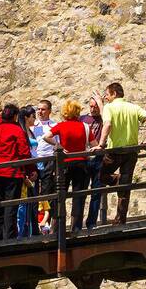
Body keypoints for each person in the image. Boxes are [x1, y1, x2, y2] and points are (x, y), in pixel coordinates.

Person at [98, 83, 146, 225]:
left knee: (102, 176)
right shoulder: (133, 107)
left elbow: (108, 124)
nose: (106, 98)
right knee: (125, 187)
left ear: (114, 94)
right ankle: (120, 220)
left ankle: (118, 181)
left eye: (108, 94)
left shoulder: (109, 108)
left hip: (115, 151)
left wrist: (101, 144)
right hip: (131, 151)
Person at [0, 103, 33, 242]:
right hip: (12, 174)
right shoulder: (17, 130)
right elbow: (24, 152)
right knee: (10, 208)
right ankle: (9, 238)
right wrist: (30, 170)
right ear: (15, 116)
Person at [52, 99, 92, 234]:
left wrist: (59, 146)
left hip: (65, 163)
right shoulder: (85, 126)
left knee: (60, 195)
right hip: (81, 163)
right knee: (78, 195)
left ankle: (57, 227)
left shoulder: (61, 126)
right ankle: (76, 228)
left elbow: (46, 136)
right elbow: (94, 144)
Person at [32, 101, 59, 233]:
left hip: (49, 160)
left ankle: (47, 223)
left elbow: (57, 144)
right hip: (35, 160)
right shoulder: (32, 125)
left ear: (49, 111)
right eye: (38, 109)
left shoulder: (54, 125)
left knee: (47, 191)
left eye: (43, 109)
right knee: (34, 192)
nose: (40, 112)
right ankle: (36, 224)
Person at [80, 97, 106, 229]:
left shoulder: (104, 119)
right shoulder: (82, 119)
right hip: (85, 159)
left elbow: (107, 119)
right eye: (91, 106)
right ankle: (77, 222)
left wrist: (101, 104)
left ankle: (91, 222)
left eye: (95, 106)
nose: (93, 108)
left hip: (99, 159)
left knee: (96, 192)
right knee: (81, 191)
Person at [17, 106, 40, 237]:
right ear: (26, 117)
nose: (34, 119)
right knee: (23, 204)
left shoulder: (30, 132)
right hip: (26, 170)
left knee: (33, 202)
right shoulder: (21, 131)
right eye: (33, 116)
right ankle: (23, 233)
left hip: (33, 167)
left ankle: (32, 230)